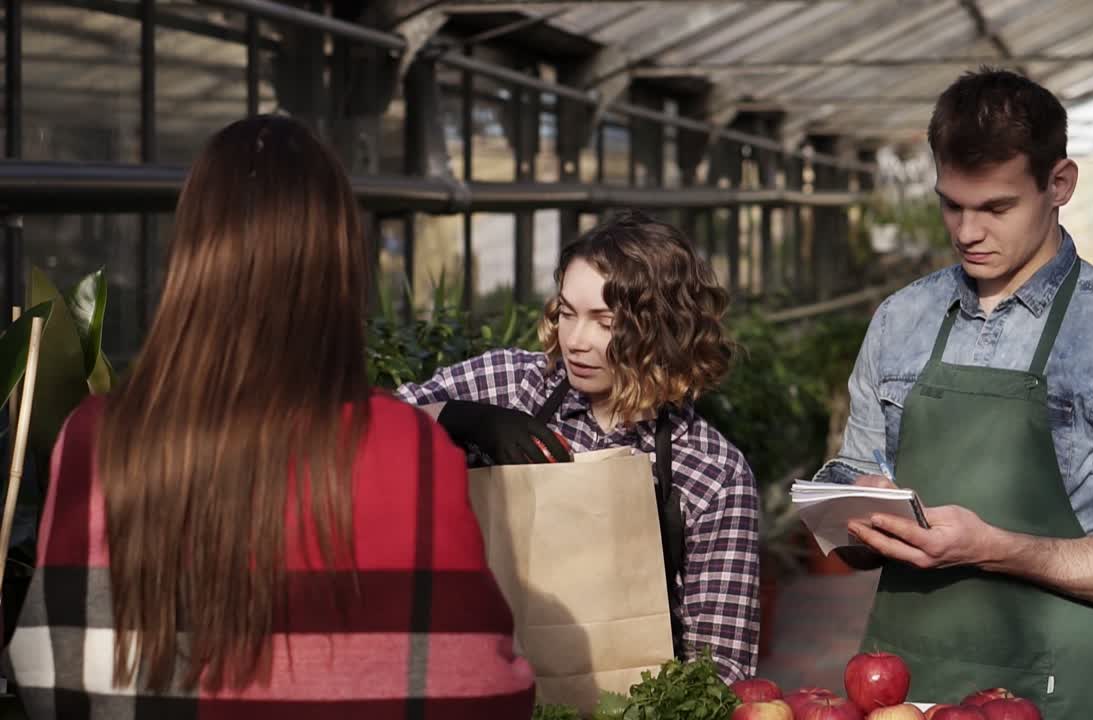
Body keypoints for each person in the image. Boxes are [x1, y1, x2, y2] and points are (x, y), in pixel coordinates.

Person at [3, 115, 535, 718]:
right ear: (341, 263)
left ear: (189, 258)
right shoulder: (405, 449)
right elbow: (485, 692)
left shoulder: (99, 440)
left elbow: (51, 682)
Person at [818, 69, 1093, 718]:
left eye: (997, 207)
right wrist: (853, 509)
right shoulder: (902, 321)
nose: (967, 231)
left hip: (1057, 690)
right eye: (952, 203)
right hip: (901, 684)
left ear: (1059, 184)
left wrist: (999, 548)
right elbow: (853, 482)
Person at [396, 210, 760, 682]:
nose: (576, 341)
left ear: (664, 330)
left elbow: (721, 671)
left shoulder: (714, 474)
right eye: (568, 313)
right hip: (469, 685)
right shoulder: (511, 384)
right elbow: (351, 429)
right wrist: (455, 418)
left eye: (604, 322)